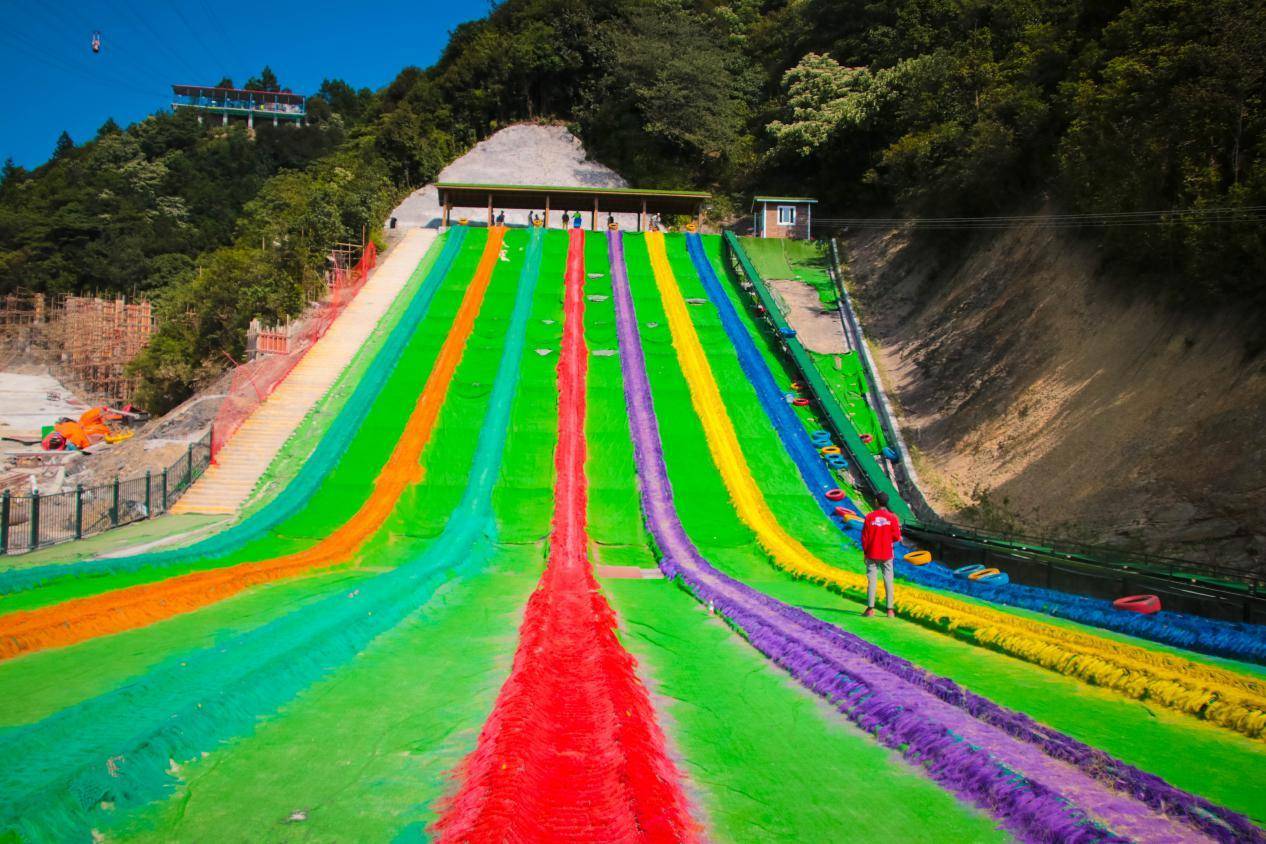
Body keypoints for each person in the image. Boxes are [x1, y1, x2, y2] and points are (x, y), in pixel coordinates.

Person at [860, 492, 901, 617]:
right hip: (887, 553)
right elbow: (897, 536)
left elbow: (864, 537)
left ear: (877, 502)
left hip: (872, 553)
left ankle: (870, 609)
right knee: (888, 580)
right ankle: (890, 610)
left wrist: (866, 552)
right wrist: (887, 540)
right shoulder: (893, 517)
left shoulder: (869, 517)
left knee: (872, 580)